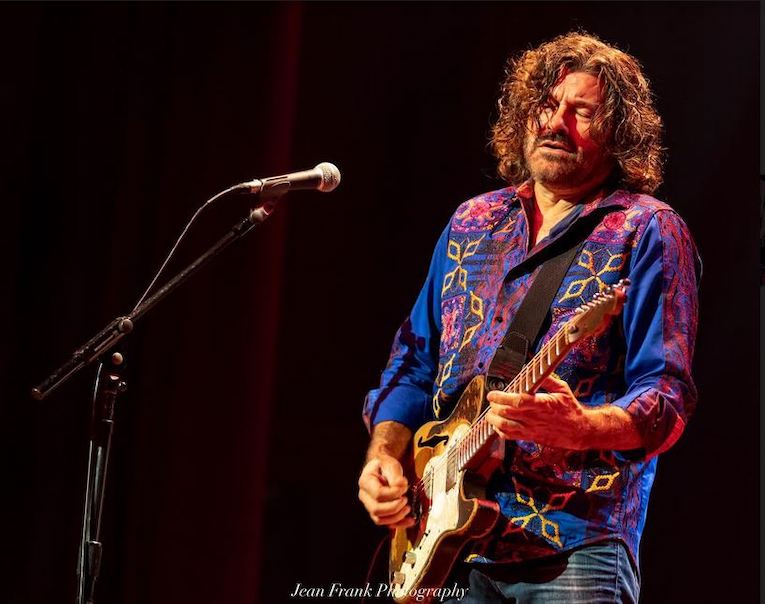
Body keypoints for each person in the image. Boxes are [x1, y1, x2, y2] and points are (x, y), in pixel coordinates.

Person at [358, 31, 700, 603]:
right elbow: (413, 364)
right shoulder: (472, 222)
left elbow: (666, 396)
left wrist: (580, 427)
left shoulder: (647, 230)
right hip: (448, 549)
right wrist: (384, 459)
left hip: (573, 545)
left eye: (581, 111)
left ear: (620, 134)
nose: (555, 122)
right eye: (545, 104)